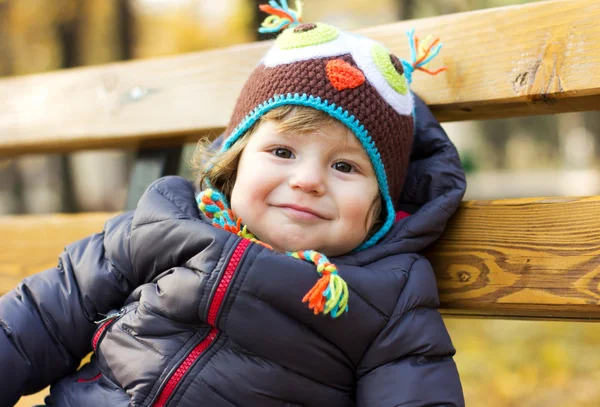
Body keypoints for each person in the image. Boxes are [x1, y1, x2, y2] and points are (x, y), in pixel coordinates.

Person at [0, 1, 466, 406]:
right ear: (235, 163)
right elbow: (43, 316)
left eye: (345, 167)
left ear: (380, 203)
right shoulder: (168, 220)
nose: (307, 181)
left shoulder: (387, 293)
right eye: (282, 152)